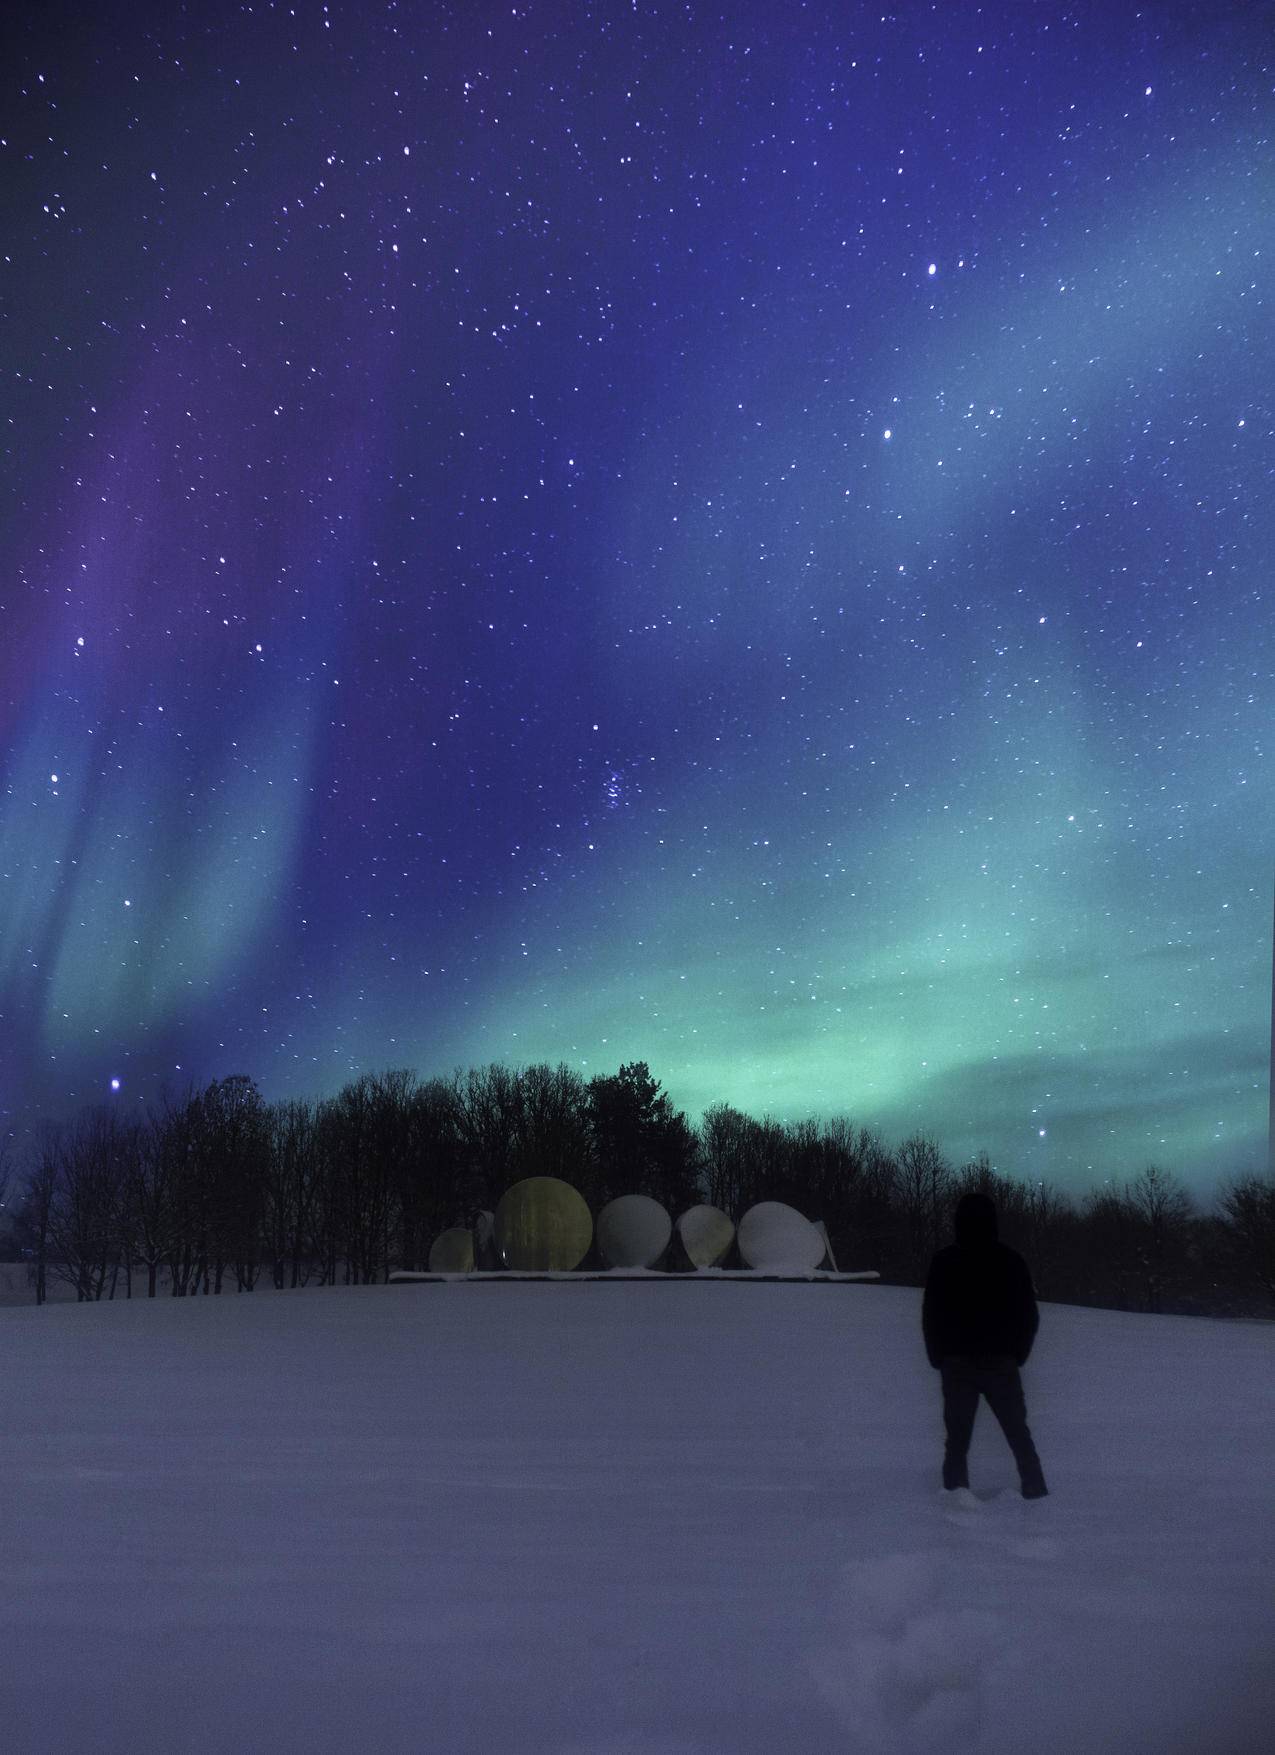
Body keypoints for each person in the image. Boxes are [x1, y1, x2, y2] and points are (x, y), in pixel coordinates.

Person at [922, 1190, 1048, 1499]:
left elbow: (931, 1315)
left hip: (961, 1363)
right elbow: (1028, 1314)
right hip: (994, 1362)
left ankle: (956, 1497)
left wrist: (939, 1355)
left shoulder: (945, 1261)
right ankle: (1034, 1493)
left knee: (958, 1441)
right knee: (1018, 1435)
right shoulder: (1010, 1261)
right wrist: (1017, 1353)